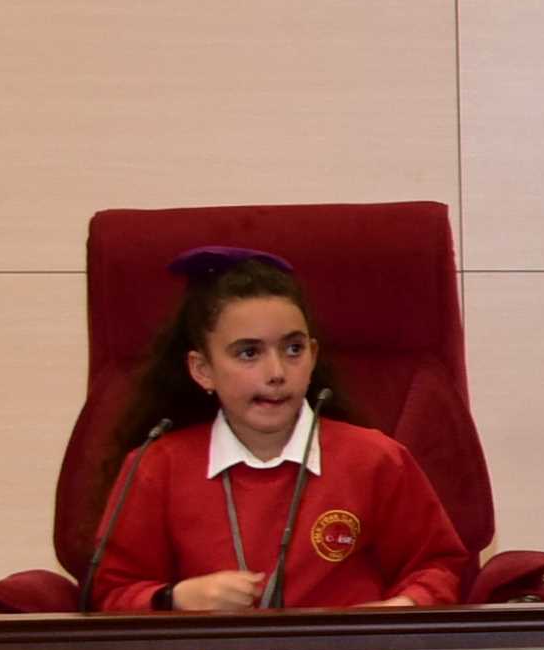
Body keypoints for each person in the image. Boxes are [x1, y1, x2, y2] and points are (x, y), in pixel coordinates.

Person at [84, 248, 473, 612]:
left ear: (313, 356)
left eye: (293, 349)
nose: (276, 373)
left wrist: (398, 610)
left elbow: (438, 567)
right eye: (249, 353)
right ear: (202, 370)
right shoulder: (157, 466)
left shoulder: (375, 459)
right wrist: (176, 598)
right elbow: (110, 592)